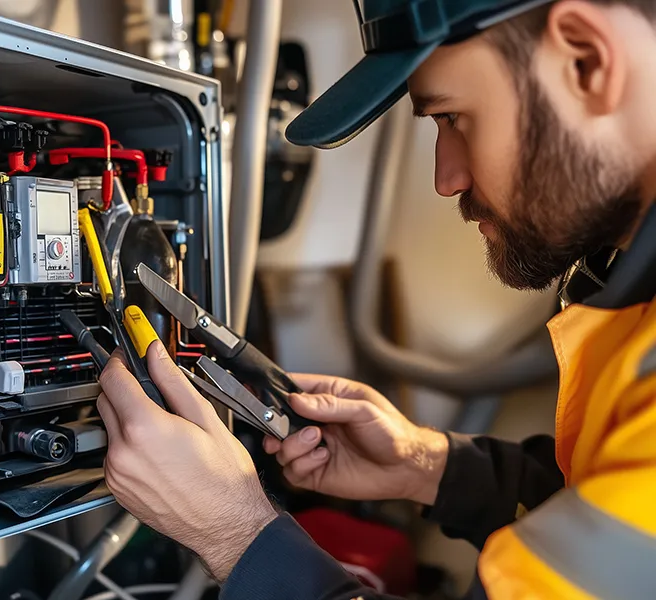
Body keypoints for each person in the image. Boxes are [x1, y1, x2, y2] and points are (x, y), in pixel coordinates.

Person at [96, 1, 656, 598]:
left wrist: (236, 537)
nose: (447, 179)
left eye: (454, 118)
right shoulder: (622, 289)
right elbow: (598, 505)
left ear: (585, 60)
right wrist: (428, 466)